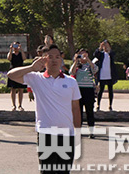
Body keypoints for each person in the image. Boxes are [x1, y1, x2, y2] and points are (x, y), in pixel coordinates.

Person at [8, 44, 81, 173]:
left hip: (66, 134)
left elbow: (75, 108)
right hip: (46, 133)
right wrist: (31, 67)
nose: (54, 60)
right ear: (44, 59)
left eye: (57, 57)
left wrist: (78, 131)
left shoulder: (71, 82)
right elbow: (11, 75)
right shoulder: (36, 78)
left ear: (61, 60)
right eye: (50, 57)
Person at [70, 48, 98, 137]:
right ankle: (78, 130)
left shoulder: (89, 65)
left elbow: (95, 70)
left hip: (89, 89)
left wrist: (88, 60)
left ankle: (91, 131)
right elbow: (71, 72)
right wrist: (76, 61)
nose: (83, 56)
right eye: (81, 54)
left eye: (84, 54)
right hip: (78, 90)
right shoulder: (77, 65)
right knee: (79, 111)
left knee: (90, 111)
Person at [93, 40, 117, 111]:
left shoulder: (110, 54)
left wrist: (109, 50)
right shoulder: (101, 54)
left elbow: (113, 55)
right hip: (103, 75)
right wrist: (100, 47)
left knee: (110, 90)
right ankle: (98, 105)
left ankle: (110, 105)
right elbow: (95, 54)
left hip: (110, 75)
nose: (105, 47)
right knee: (101, 90)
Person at [7, 42, 26, 111]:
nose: (16, 47)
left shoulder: (21, 54)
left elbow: (24, 58)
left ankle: (20, 105)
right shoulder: (11, 54)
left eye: (17, 46)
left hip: (20, 71)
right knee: (13, 89)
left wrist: (21, 49)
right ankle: (13, 105)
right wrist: (10, 49)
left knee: (20, 89)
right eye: (14, 46)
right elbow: (9, 58)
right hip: (13, 72)